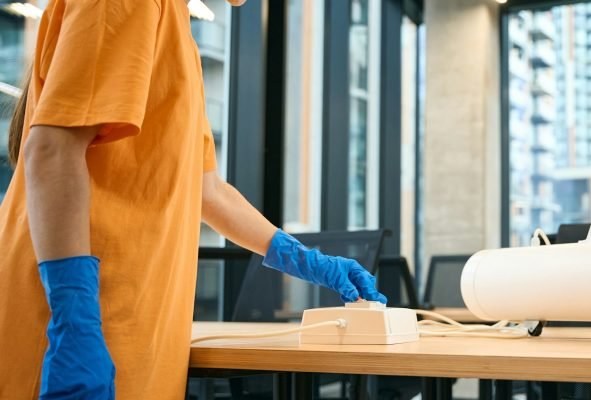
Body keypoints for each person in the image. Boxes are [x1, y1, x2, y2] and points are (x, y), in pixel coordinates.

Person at [0, 0, 387, 398]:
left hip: (130, 321)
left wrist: (308, 260)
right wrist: (74, 321)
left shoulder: (176, 29)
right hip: (78, 325)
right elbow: (51, 150)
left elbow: (206, 189)